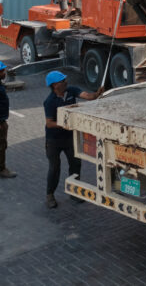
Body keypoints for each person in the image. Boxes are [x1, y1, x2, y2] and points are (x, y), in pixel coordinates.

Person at [44, 70, 103, 208]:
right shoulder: (49, 101)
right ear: (55, 85)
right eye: (62, 81)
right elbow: (49, 123)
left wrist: (97, 94)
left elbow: (88, 96)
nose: (66, 82)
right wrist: (66, 124)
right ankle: (50, 195)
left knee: (76, 163)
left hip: (69, 138)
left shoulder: (71, 91)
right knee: (54, 168)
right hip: (53, 141)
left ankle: (74, 191)